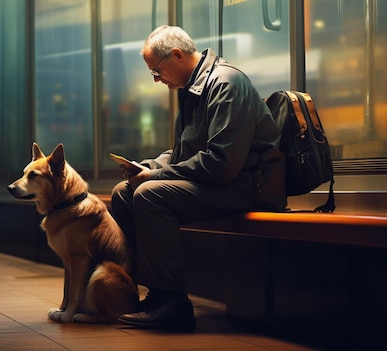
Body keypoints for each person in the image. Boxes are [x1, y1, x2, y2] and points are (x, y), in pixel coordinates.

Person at [111, 25, 287, 331]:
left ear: (176, 55)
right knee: (124, 193)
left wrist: (155, 176)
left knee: (149, 195)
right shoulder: (194, 89)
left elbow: (222, 163)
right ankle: (153, 294)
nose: (156, 79)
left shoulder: (226, 85)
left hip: (248, 187)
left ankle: (173, 302)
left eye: (157, 70)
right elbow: (184, 152)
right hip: (224, 184)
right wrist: (148, 167)